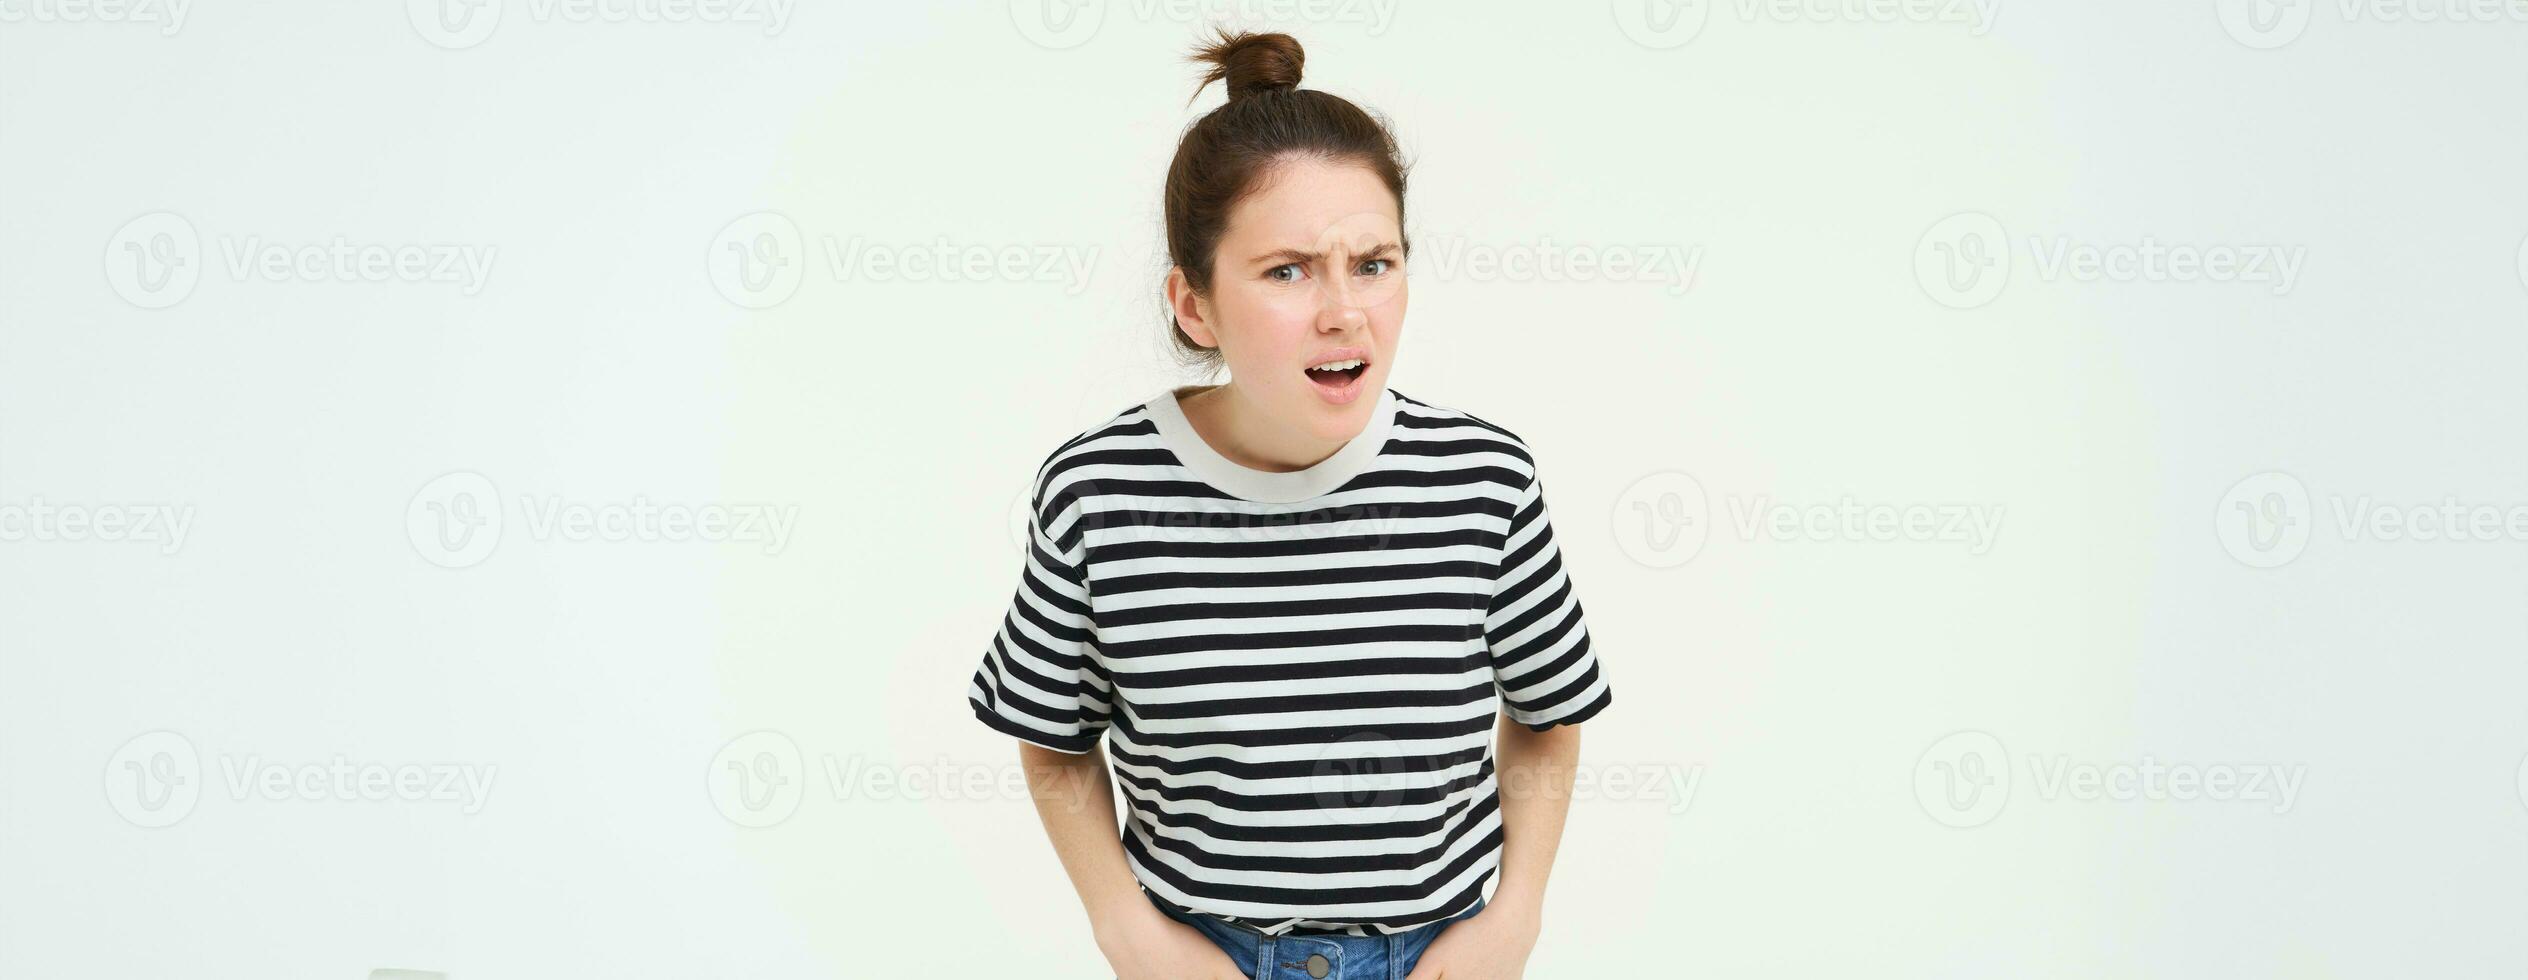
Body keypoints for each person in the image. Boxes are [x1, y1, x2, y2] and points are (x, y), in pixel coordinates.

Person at [966, 28, 1613, 979]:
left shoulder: (1484, 479)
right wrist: (1128, 934)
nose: (1343, 310)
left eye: (1374, 263)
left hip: (1435, 954)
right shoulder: (1100, 494)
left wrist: (1514, 920)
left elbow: (1551, 714)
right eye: (1287, 270)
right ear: (1194, 304)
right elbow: (1053, 741)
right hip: (1207, 958)